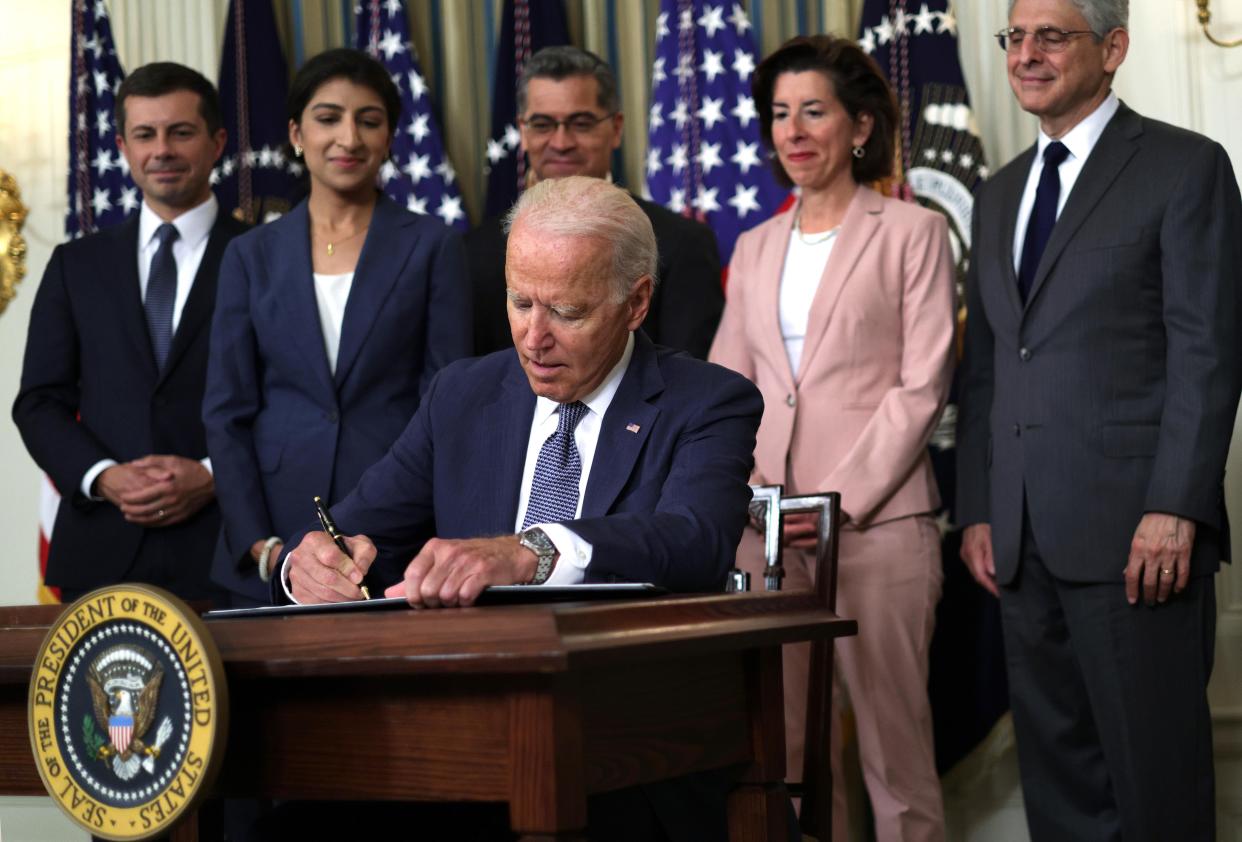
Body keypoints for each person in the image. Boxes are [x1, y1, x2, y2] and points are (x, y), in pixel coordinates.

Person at [268, 176, 760, 841]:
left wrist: (531, 551)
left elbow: (693, 540)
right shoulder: (462, 393)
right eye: (519, 301)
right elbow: (358, 531)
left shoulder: (707, 401)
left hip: (627, 739)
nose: (534, 336)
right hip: (457, 732)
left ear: (637, 302)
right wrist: (311, 564)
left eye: (568, 311)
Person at [956, 1, 1242, 839]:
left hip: (1137, 539)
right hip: (1017, 541)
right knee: (1060, 785)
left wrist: (1176, 506)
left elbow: (1208, 353)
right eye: (1015, 37)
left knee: (1157, 783)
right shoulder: (997, 195)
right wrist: (979, 505)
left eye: (1053, 35)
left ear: (1112, 47)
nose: (1026, 54)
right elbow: (986, 370)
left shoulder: (1185, 168)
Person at [709, 35, 955, 842]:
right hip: (766, 537)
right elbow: (728, 393)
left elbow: (921, 388)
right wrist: (753, 501)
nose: (794, 130)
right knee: (787, 756)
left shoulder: (914, 232)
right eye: (780, 114)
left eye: (813, 110)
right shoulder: (751, 248)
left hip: (878, 529)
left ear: (859, 125)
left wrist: (833, 500)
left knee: (894, 753)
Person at [203, 48, 471, 608]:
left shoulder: (435, 246)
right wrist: (263, 546)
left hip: (396, 530)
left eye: (368, 120)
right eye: (328, 118)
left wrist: (393, 514)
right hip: (277, 533)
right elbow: (226, 413)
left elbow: (445, 401)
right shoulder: (249, 254)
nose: (348, 137)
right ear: (297, 133)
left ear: (390, 136)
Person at [13, 62, 245, 604]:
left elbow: (287, 399)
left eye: (180, 132)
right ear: (122, 145)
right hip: (100, 552)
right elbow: (39, 402)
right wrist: (103, 476)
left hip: (227, 552)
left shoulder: (264, 257)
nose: (161, 149)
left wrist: (213, 475)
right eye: (145, 134)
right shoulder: (76, 265)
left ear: (217, 142)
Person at [465, 45, 723, 359]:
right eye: (543, 125)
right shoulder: (471, 253)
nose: (561, 143)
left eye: (581, 124)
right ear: (523, 131)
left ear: (615, 129)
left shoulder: (683, 243)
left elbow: (688, 382)